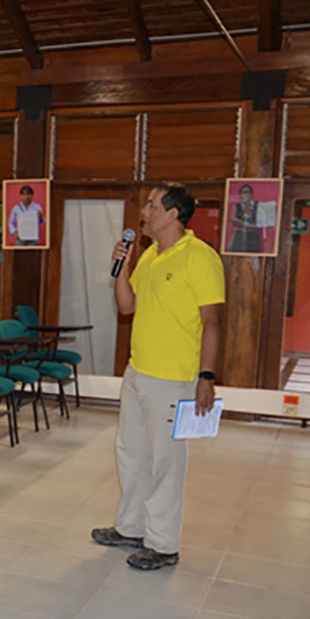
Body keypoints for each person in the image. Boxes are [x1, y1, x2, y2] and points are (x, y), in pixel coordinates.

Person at [91, 183, 225, 571]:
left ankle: (163, 544)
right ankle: (130, 527)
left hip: (174, 379)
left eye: (151, 205)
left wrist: (206, 376)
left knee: (166, 462)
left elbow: (212, 321)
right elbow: (127, 306)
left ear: (173, 214)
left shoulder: (200, 257)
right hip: (138, 372)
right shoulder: (150, 255)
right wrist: (122, 267)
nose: (143, 211)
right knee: (130, 454)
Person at [227, 184, 263, 253]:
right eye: (243, 192)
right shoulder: (236, 206)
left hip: (253, 235)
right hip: (240, 234)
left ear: (251, 194)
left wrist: (257, 225)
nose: (246, 195)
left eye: (247, 192)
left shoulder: (258, 205)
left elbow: (263, 218)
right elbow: (233, 218)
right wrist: (245, 224)